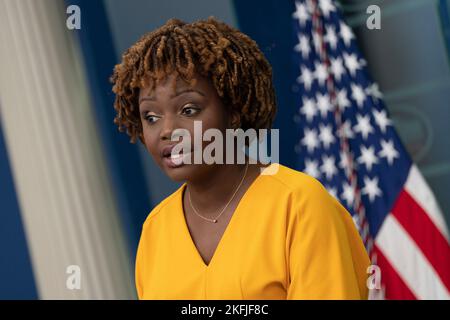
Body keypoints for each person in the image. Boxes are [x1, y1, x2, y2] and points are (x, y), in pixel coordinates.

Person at [110, 17, 370, 300]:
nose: (167, 131)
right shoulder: (156, 231)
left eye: (189, 109)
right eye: (151, 116)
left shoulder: (298, 205)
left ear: (233, 111)